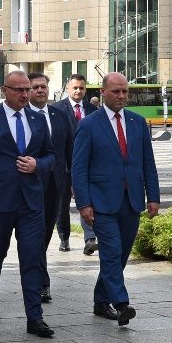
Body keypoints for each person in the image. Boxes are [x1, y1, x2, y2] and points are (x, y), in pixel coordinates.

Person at [70, 71, 159, 326]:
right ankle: (121, 304)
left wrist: (153, 196)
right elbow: (78, 168)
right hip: (101, 202)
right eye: (116, 91)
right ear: (103, 92)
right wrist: (84, 203)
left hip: (131, 200)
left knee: (120, 255)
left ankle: (100, 300)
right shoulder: (88, 125)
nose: (121, 96)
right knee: (111, 252)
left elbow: (147, 163)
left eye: (125, 92)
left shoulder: (137, 122)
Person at [0, 70, 55, 337]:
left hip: (30, 203)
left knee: (31, 257)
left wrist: (37, 165)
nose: (24, 94)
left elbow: (52, 156)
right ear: (5, 90)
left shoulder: (37, 119)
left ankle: (35, 317)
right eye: (18, 90)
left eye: (27, 89)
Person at [27, 71, 74, 304]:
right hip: (28, 184)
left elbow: (69, 150)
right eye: (35, 87)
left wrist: (72, 181)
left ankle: (38, 273)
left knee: (45, 234)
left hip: (56, 184)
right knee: (34, 234)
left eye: (43, 86)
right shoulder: (22, 115)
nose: (40, 90)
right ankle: (41, 282)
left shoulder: (60, 115)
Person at [50, 72, 97, 254]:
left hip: (87, 166)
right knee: (62, 206)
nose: (78, 91)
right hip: (64, 167)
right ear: (68, 88)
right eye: (75, 87)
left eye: (81, 88)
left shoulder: (93, 110)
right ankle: (64, 238)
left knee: (87, 201)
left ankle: (90, 239)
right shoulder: (57, 109)